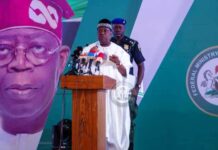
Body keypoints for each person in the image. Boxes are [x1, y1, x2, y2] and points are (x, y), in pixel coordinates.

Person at [0, 0, 74, 149]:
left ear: (61, 60)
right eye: (2, 49)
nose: (20, 64)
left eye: (38, 47)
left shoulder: (73, 136)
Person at [81, 18, 132, 150]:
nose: (102, 33)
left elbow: (125, 73)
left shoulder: (120, 51)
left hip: (113, 96)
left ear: (111, 33)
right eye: (100, 31)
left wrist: (118, 63)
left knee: (115, 127)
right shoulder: (89, 50)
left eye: (105, 31)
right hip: (94, 96)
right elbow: (82, 71)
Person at [111, 18, 145, 150]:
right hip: (110, 86)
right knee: (111, 119)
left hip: (128, 86)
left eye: (119, 27)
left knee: (128, 119)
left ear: (124, 28)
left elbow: (141, 66)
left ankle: (129, 147)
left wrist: (137, 86)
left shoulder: (132, 44)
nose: (117, 29)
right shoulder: (108, 43)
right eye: (115, 27)